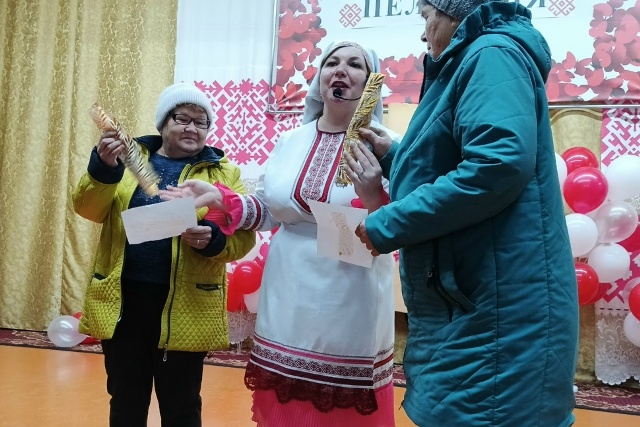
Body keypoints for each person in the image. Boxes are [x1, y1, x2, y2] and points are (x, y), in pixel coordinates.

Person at [356, 1, 580, 426]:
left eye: (426, 17)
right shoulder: (479, 56)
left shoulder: (491, 54)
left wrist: (389, 222)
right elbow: (457, 161)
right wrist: (394, 156)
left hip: (496, 304)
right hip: (480, 294)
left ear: (452, 12)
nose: (423, 33)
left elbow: (496, 166)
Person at [160, 41, 400, 427]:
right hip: (287, 286)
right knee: (285, 401)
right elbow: (270, 212)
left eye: (355, 64)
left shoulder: (387, 145)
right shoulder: (292, 141)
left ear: (371, 82)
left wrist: (373, 195)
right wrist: (221, 198)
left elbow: (398, 225)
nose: (340, 70)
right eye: (331, 63)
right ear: (319, 79)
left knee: (338, 403)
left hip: (351, 287)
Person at [73, 82, 256, 427]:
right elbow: (87, 208)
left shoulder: (222, 173)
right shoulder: (128, 160)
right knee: (126, 401)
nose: (192, 128)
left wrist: (213, 240)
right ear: (163, 123)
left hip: (186, 305)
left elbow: (243, 238)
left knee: (182, 406)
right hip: (124, 303)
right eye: (182, 118)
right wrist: (104, 167)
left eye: (201, 122)